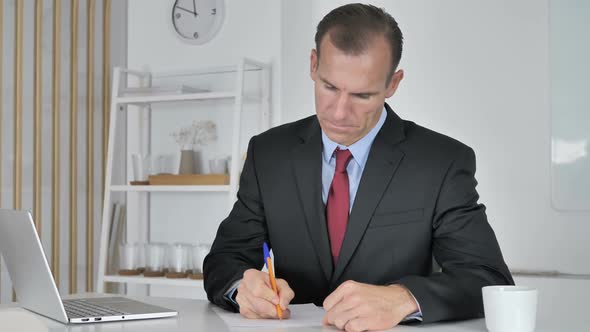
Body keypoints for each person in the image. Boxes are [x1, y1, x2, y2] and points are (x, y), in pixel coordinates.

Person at [203, 3, 514, 331]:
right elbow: (224, 259)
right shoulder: (268, 153)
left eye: (362, 96)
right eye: (329, 87)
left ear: (393, 84)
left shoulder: (441, 162)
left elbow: (488, 278)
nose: (338, 113)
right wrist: (243, 287)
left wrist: (405, 298)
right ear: (313, 65)